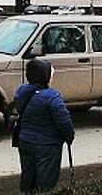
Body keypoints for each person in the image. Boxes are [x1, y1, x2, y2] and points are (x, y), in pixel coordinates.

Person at [14, 59, 74, 194]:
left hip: (24, 142)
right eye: (51, 75)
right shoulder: (52, 96)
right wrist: (69, 137)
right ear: (45, 77)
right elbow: (64, 122)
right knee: (45, 183)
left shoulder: (22, 90)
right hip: (47, 146)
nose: (52, 78)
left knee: (28, 178)